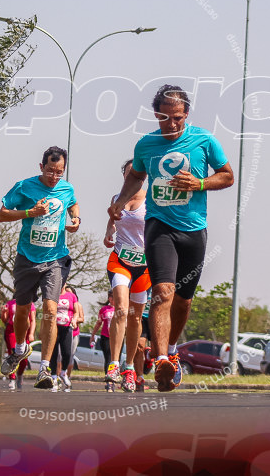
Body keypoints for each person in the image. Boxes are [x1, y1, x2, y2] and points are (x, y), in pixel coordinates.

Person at [108, 85, 234, 392]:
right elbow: (137, 175)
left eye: (177, 117)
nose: (172, 123)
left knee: (183, 301)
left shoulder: (204, 140)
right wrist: (121, 201)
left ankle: (172, 350)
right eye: (165, 117)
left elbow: (227, 175)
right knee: (163, 292)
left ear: (186, 114)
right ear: (156, 114)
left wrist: (199, 182)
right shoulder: (147, 144)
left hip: (193, 230)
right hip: (159, 226)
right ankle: (161, 358)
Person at [0, 146, 81, 389]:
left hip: (55, 258)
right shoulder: (24, 186)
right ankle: (20, 349)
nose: (55, 177)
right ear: (41, 166)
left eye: (60, 172)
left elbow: (73, 204)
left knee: (50, 309)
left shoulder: (67, 188)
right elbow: (2, 215)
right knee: (22, 311)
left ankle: (45, 369)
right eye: (51, 171)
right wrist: (29, 212)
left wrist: (75, 219)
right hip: (27, 257)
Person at [103, 160, 151, 392]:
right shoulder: (116, 199)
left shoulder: (151, 202)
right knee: (121, 308)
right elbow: (112, 220)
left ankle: (129, 368)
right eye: (128, 173)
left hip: (144, 267)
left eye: (136, 174)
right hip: (120, 260)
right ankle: (113, 364)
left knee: (135, 318)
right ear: (124, 176)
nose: (132, 177)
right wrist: (108, 233)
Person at [49, 282, 78, 392]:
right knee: (54, 354)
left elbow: (76, 312)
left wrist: (74, 320)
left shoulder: (72, 296)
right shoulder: (53, 295)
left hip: (67, 328)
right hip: (54, 328)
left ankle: (63, 372)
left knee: (67, 353)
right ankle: (53, 377)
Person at [3, 296, 36, 390]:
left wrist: (31, 333)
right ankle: (12, 378)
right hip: (12, 331)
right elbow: (5, 320)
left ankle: (20, 375)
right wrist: (4, 312)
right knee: (12, 355)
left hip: (25, 331)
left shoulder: (30, 303)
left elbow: (33, 320)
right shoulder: (10, 303)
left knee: (24, 358)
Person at [90, 292, 116, 391]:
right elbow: (98, 323)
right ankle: (109, 382)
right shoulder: (104, 310)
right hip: (106, 337)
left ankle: (114, 378)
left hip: (117, 338)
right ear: (110, 298)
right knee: (108, 358)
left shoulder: (121, 308)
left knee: (115, 359)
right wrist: (93, 335)